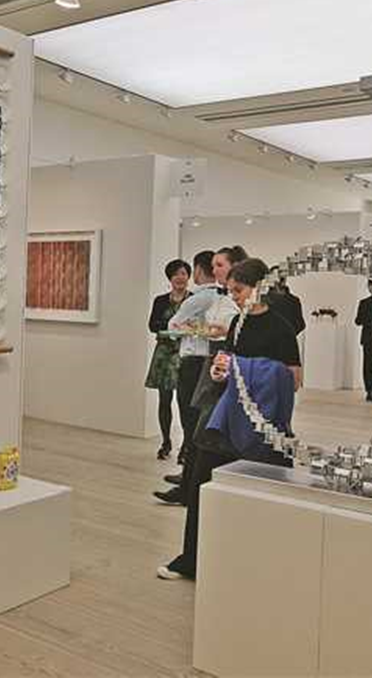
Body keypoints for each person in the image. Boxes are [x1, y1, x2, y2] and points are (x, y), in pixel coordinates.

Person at [157, 257, 301, 581]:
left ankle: (244, 565)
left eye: (238, 290)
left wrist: (242, 369)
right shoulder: (238, 323)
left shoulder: (281, 328)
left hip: (261, 426)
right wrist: (222, 370)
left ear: (259, 288)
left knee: (251, 497)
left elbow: (293, 379)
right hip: (227, 415)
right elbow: (230, 362)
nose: (233, 296)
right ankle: (192, 559)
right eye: (231, 290)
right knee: (200, 486)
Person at [154, 246, 245, 505]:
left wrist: (200, 329)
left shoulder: (210, 298)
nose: (215, 270)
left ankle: (191, 486)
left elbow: (176, 326)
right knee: (197, 427)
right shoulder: (217, 297)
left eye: (219, 265)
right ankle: (190, 483)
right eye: (213, 265)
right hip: (210, 362)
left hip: (211, 363)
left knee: (197, 426)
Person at [145, 259, 192, 460]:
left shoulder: (194, 299)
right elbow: (152, 325)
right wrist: (174, 327)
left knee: (185, 402)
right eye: (176, 274)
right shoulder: (161, 300)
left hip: (185, 353)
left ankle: (186, 446)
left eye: (183, 273)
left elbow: (198, 325)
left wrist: (172, 327)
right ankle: (166, 442)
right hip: (164, 354)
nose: (180, 277)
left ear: (188, 276)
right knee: (164, 400)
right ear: (170, 278)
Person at [266, 268, 305, 336]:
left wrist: (288, 335)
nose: (279, 280)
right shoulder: (263, 301)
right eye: (276, 277)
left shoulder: (294, 301)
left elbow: (300, 325)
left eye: (282, 277)